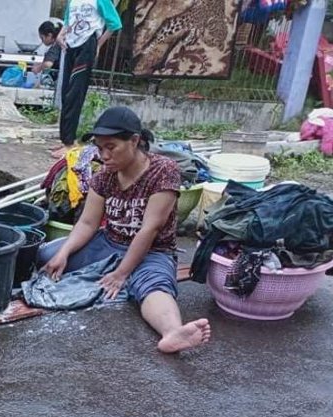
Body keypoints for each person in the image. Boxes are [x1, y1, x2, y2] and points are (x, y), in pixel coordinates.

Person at [38, 107, 211, 353]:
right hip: (109, 243)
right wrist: (63, 253)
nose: (104, 155)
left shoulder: (163, 171)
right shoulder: (104, 176)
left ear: (134, 141)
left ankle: (172, 332)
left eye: (111, 147)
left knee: (154, 285)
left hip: (152, 251)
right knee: (47, 256)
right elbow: (87, 224)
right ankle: (121, 276)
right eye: (99, 148)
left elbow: (149, 229)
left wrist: (121, 274)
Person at [51, 0, 122, 159]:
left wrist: (97, 44)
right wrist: (60, 36)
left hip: (86, 45)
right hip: (70, 46)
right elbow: (68, 21)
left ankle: (69, 144)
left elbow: (115, 24)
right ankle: (66, 140)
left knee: (74, 95)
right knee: (65, 93)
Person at [32, 19, 64, 84]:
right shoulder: (61, 43)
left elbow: (48, 64)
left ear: (49, 35)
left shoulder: (56, 46)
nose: (42, 41)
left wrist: (38, 68)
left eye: (42, 38)